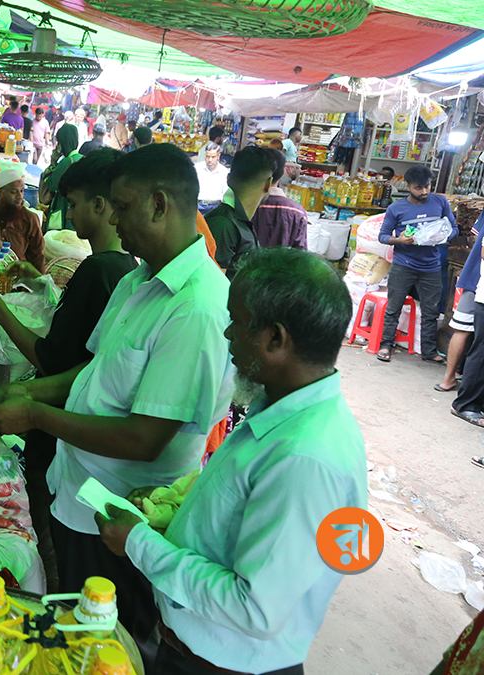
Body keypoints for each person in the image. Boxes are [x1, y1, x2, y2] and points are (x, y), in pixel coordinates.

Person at [0, 143, 234, 661]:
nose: (112, 217)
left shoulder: (196, 308)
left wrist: (33, 413)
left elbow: (145, 437)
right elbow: (91, 374)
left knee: (109, 648)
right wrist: (31, 389)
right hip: (82, 495)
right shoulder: (139, 281)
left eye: (123, 206)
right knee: (72, 633)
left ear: (160, 205)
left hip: (122, 519)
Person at [96, 246, 364, 675]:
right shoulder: (278, 410)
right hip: (193, 647)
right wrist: (180, 516)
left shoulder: (305, 458)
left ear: (275, 339)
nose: (226, 335)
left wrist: (138, 543)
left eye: (236, 323)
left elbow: (254, 608)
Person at [0, 148, 138, 377]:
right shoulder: (127, 264)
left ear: (99, 205)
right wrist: (40, 282)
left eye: (72, 204)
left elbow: (51, 361)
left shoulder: (97, 269)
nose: (69, 215)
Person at [377, 165, 456, 364]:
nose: (424, 192)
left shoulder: (440, 202)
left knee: (430, 311)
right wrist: (400, 240)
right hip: (403, 265)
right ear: (408, 186)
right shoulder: (396, 208)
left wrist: (442, 236)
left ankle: (429, 351)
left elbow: (454, 228)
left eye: (427, 187)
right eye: (418, 188)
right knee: (393, 307)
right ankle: (386, 345)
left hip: (431, 266)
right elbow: (383, 236)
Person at [205, 146, 273, 278]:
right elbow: (213, 285)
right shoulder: (223, 225)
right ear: (268, 184)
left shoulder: (238, 221)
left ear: (228, 179)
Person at [438, 214, 481, 393]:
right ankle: (451, 379)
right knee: (464, 330)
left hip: (473, 275)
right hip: (476, 278)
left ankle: (449, 379)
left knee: (463, 330)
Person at [251, 148, 308, 249]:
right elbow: (301, 253)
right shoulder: (298, 212)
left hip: (248, 264)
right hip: (284, 264)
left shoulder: (248, 206)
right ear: (283, 173)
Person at [39, 123, 82, 229]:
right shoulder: (82, 158)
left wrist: (53, 161)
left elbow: (51, 186)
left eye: (58, 142)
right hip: (78, 211)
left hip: (62, 209)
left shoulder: (66, 162)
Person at [195, 142, 230, 207]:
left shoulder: (224, 172)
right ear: (205, 155)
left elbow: (225, 194)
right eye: (208, 156)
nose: (210, 160)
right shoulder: (197, 169)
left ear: (218, 156)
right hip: (198, 206)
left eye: (213, 157)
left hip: (215, 206)